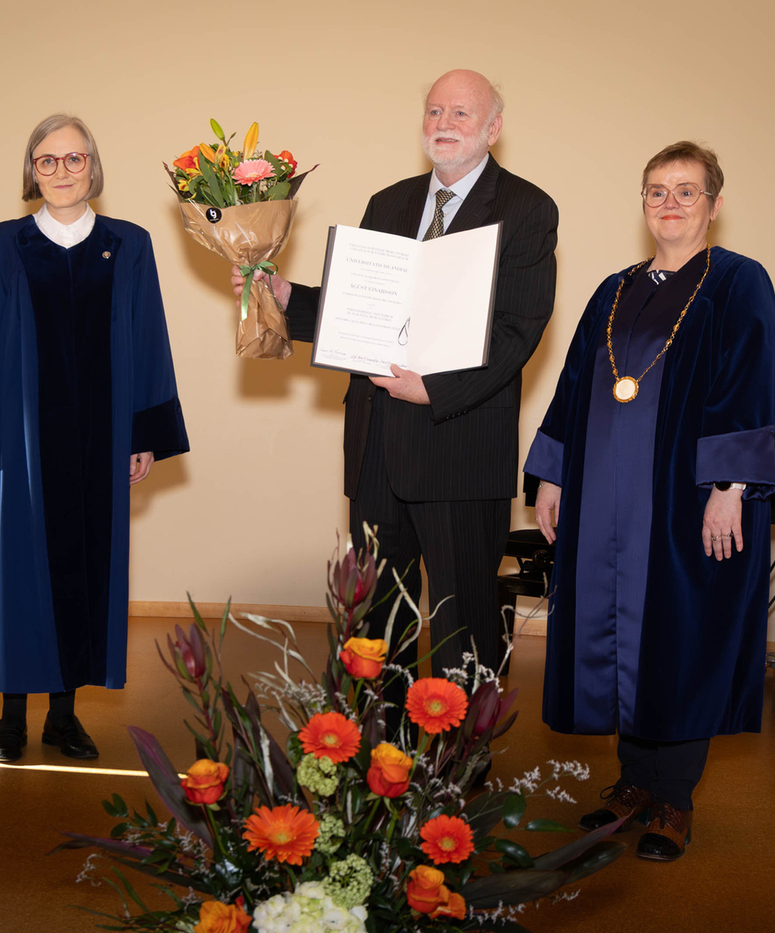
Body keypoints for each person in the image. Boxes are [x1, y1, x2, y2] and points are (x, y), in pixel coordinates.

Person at [233, 69, 558, 697]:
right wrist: (285, 296)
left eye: (460, 113)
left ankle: (461, 755)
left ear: (493, 128)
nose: (443, 123)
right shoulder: (389, 203)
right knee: (377, 630)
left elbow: (519, 328)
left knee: (464, 628)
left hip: (460, 447)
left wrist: (435, 390)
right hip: (377, 447)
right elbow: (360, 311)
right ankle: (382, 751)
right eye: (434, 111)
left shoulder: (526, 208)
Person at [524, 141, 775, 861]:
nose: (670, 204)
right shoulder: (615, 289)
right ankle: (633, 783)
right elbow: (574, 384)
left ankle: (674, 800)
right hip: (606, 499)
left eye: (686, 191)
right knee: (617, 632)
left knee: (679, 637)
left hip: (683, 499)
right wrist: (553, 474)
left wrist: (729, 487)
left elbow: (749, 381)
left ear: (714, 204)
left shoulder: (738, 282)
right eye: (657, 191)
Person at [0, 114, 188, 764]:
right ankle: (10, 719)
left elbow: (148, 338)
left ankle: (63, 716)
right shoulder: (1, 245)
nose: (60, 171)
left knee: (85, 571)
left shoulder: (128, 244)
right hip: (20, 441)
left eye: (73, 159)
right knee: (17, 572)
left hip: (98, 441)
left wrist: (142, 432)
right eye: (46, 160)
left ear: (92, 167)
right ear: (32, 170)